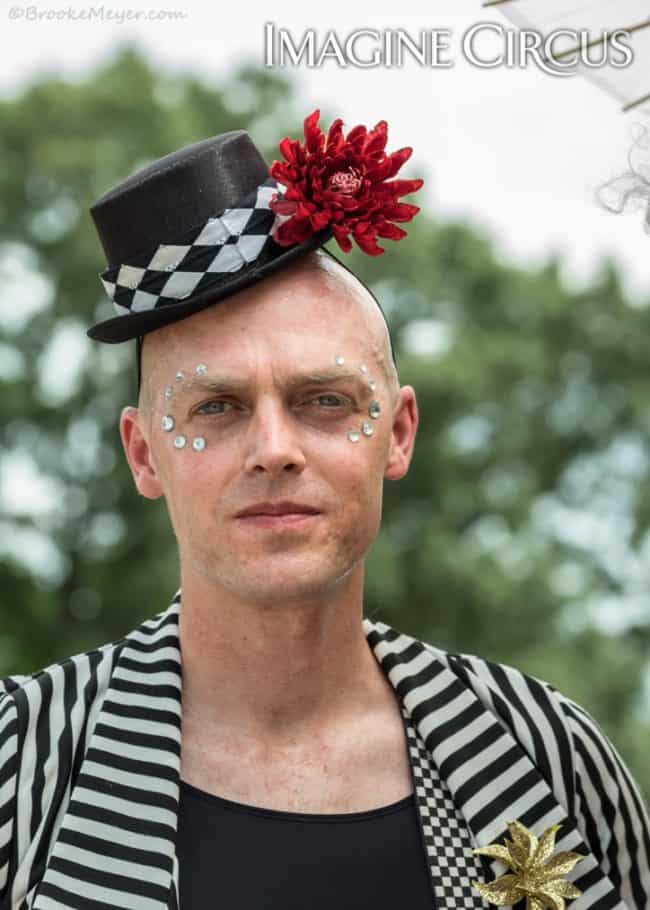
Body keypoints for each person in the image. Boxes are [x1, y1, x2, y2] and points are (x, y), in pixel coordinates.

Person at [1, 111, 649, 910]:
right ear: (143, 455)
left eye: (324, 400)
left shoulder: (548, 756)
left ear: (399, 433)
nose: (275, 448)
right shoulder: (21, 762)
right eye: (216, 408)